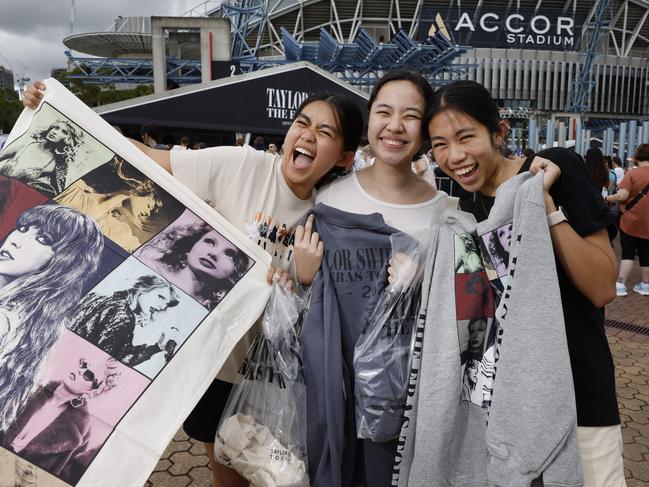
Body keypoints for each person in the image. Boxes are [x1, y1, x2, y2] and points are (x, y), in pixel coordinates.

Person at [426, 80, 621, 487]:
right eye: (439, 144)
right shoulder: (468, 208)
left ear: (499, 133)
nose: (454, 156)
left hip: (579, 396)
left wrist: (544, 206)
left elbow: (603, 285)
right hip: (506, 414)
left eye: (466, 137)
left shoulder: (554, 169)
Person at [293, 70, 450, 487]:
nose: (395, 126)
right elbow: (307, 301)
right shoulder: (329, 197)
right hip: (334, 384)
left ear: (426, 127)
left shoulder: (445, 213)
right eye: (384, 111)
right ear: (369, 121)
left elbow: (461, 315)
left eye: (410, 115)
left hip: (407, 395)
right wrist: (304, 275)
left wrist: (423, 288)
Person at [0, 205, 104, 433]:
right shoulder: (36, 319)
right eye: (23, 228)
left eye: (42, 239)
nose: (16, 240)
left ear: (63, 261)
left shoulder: (9, 319)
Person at [0, 356, 121, 484]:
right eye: (83, 365)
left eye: (88, 375)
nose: (80, 371)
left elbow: (58, 475)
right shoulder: (28, 389)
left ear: (93, 390)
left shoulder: (80, 430)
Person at [55, 156, 171, 252]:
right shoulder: (76, 190)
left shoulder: (120, 231)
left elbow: (137, 250)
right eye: (151, 203)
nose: (149, 210)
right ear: (143, 189)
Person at [135, 220, 251, 310]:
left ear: (235, 271)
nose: (214, 253)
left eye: (230, 255)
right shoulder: (148, 268)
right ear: (190, 247)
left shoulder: (213, 310)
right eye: (210, 242)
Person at [69, 275, 181, 365]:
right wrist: (154, 349)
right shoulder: (125, 318)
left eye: (166, 304)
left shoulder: (98, 296)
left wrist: (157, 347)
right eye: (161, 297)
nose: (162, 306)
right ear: (144, 288)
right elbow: (112, 360)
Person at [606, 143, 649, 296]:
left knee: (628, 253)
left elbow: (622, 196)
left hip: (630, 220)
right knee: (646, 254)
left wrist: (608, 197)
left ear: (637, 157)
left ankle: (620, 284)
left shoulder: (632, 173)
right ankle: (645, 285)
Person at [0, 120, 83, 197]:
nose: (55, 132)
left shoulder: (54, 164)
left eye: (64, 132)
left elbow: (55, 194)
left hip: (10, 199)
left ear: (68, 140)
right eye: (56, 128)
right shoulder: (26, 145)